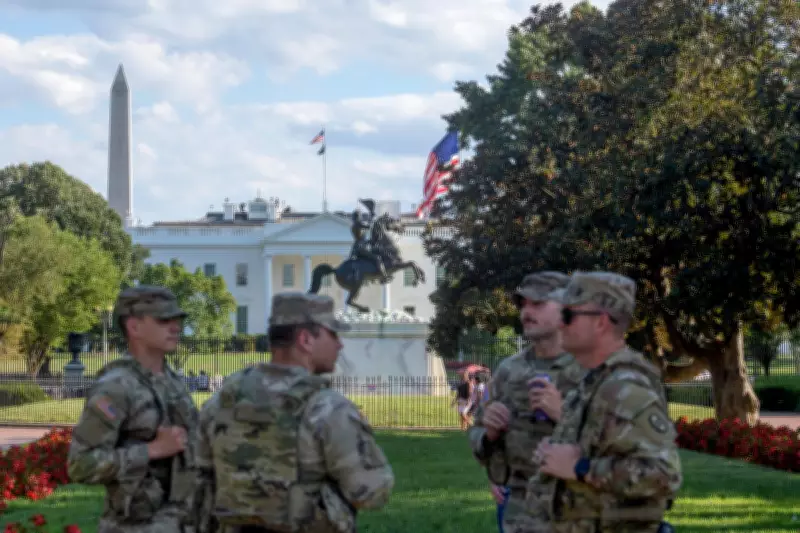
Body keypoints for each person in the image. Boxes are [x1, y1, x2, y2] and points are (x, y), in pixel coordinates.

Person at [194, 292, 395, 533]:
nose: (340, 344)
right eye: (332, 334)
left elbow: (197, 479)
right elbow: (371, 492)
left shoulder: (220, 403)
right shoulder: (328, 409)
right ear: (305, 339)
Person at [530, 271, 682, 533]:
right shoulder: (594, 381)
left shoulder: (626, 387)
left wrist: (580, 468)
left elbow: (663, 474)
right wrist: (552, 455)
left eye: (568, 315)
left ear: (600, 322)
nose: (560, 325)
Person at [67, 286, 199, 533]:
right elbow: (81, 465)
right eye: (163, 320)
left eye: (177, 320)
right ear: (134, 327)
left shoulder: (171, 381)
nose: (175, 327)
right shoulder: (115, 387)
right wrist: (152, 450)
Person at [467, 272, 585, 533]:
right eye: (523, 304)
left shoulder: (593, 369)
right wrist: (489, 434)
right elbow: (476, 434)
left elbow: (623, 449)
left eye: (538, 303)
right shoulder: (509, 370)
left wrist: (563, 415)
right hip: (519, 512)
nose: (526, 313)